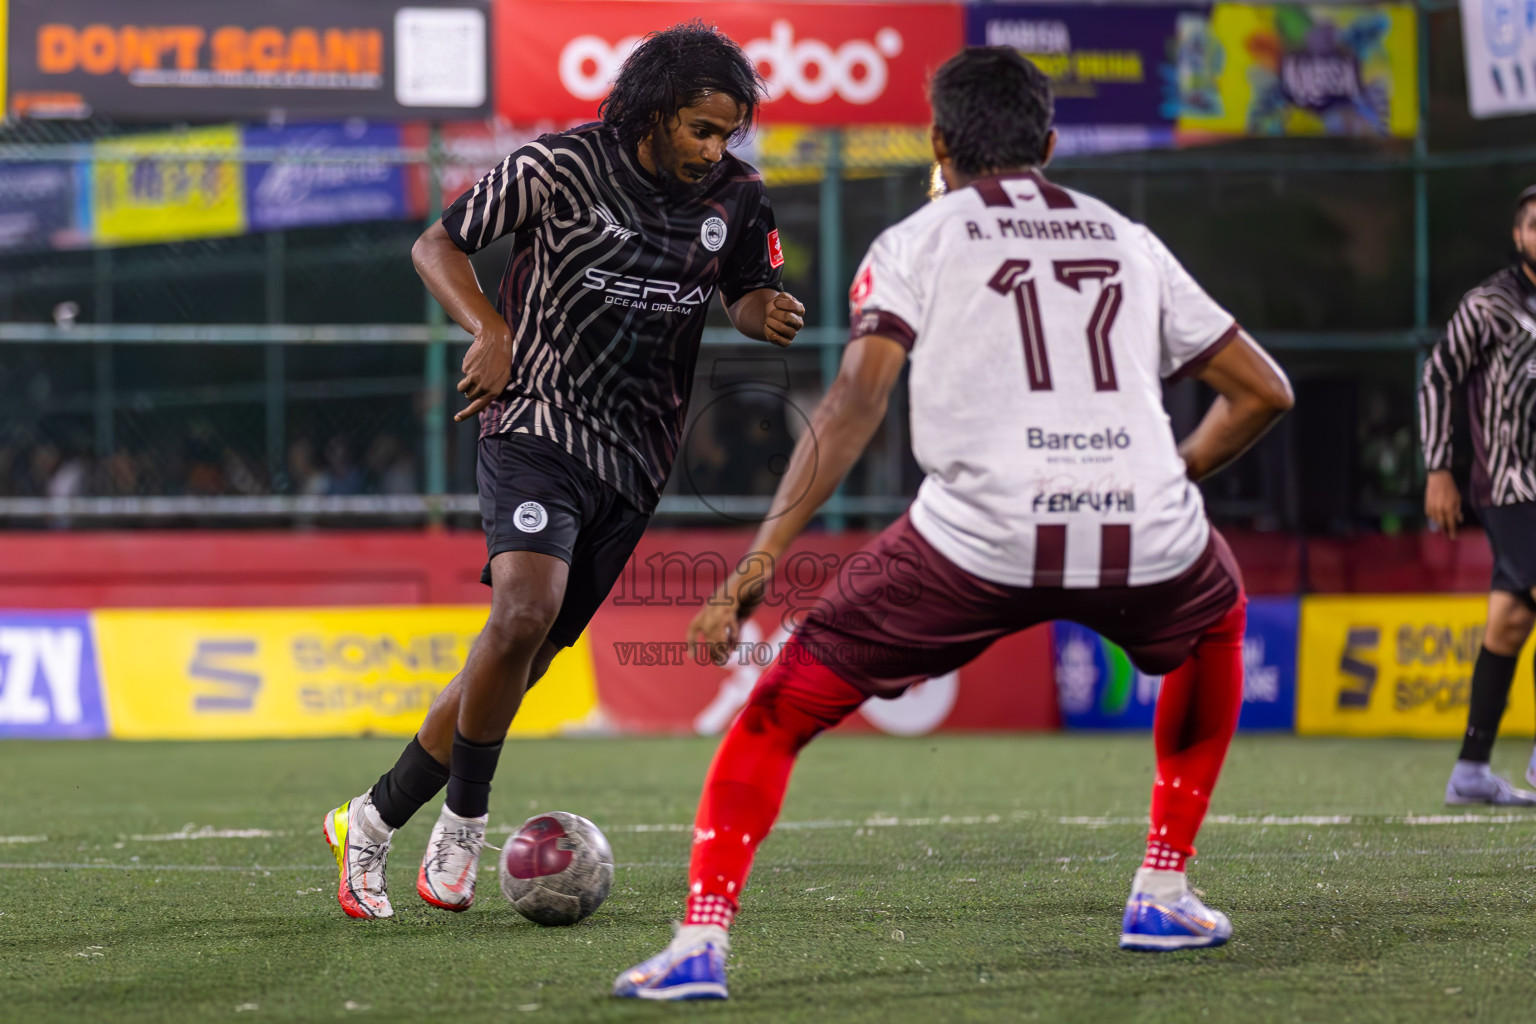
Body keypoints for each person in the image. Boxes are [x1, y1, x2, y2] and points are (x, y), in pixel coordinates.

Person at [614, 47, 1293, 1001]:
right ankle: (1164, 887)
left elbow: (854, 405)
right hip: (1148, 533)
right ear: (1048, 145)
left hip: (977, 538)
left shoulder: (919, 240)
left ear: (938, 142)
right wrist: (1164, 476)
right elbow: (1264, 391)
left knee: (777, 714)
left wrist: (757, 563)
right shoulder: (1129, 239)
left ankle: (700, 944)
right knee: (1218, 617)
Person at [320, 22, 806, 920]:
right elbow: (437, 244)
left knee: (516, 660)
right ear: (655, 112)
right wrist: (491, 331)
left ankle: (373, 819)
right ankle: (464, 825)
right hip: (535, 420)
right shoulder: (559, 166)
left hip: (636, 458)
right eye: (701, 128)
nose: (714, 148)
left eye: (726, 134)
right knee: (523, 612)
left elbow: (741, 290)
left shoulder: (738, 197)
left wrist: (761, 309)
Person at [1420, 185, 1536, 806]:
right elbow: (1438, 376)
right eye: (1535, 226)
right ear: (1519, 237)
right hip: (1513, 485)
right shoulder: (1489, 305)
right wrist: (1439, 468)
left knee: (1511, 620)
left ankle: (1470, 771)